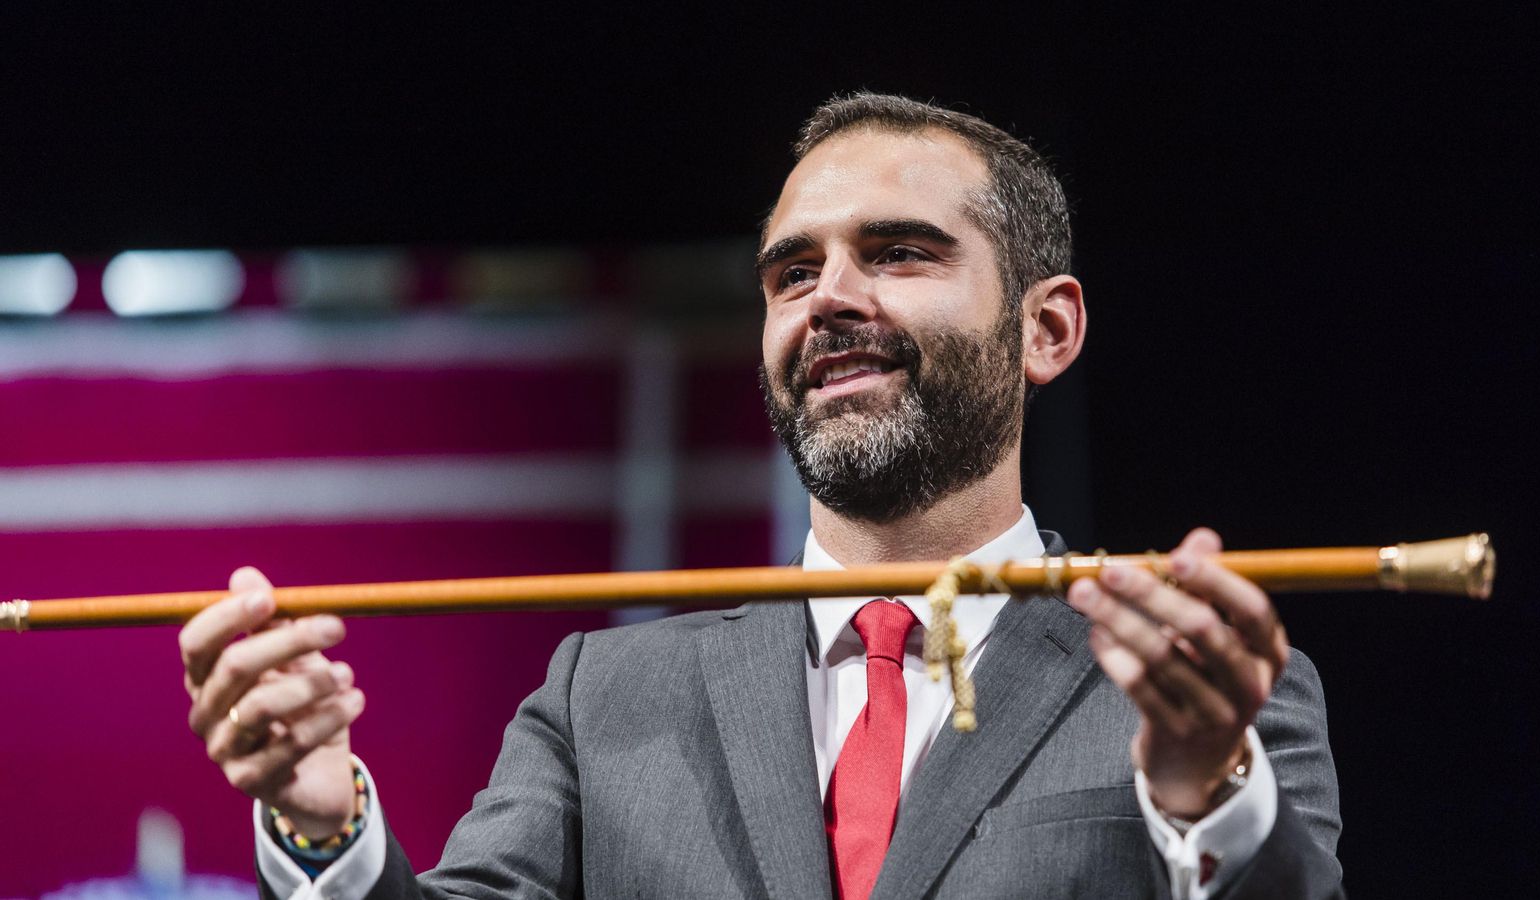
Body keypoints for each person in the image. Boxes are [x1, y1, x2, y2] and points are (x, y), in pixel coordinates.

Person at [180, 93, 1343, 899]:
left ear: (1045, 329)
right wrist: (322, 825)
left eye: (897, 253)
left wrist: (1201, 790)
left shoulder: (1211, 698)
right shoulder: (604, 699)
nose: (828, 298)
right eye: (793, 271)